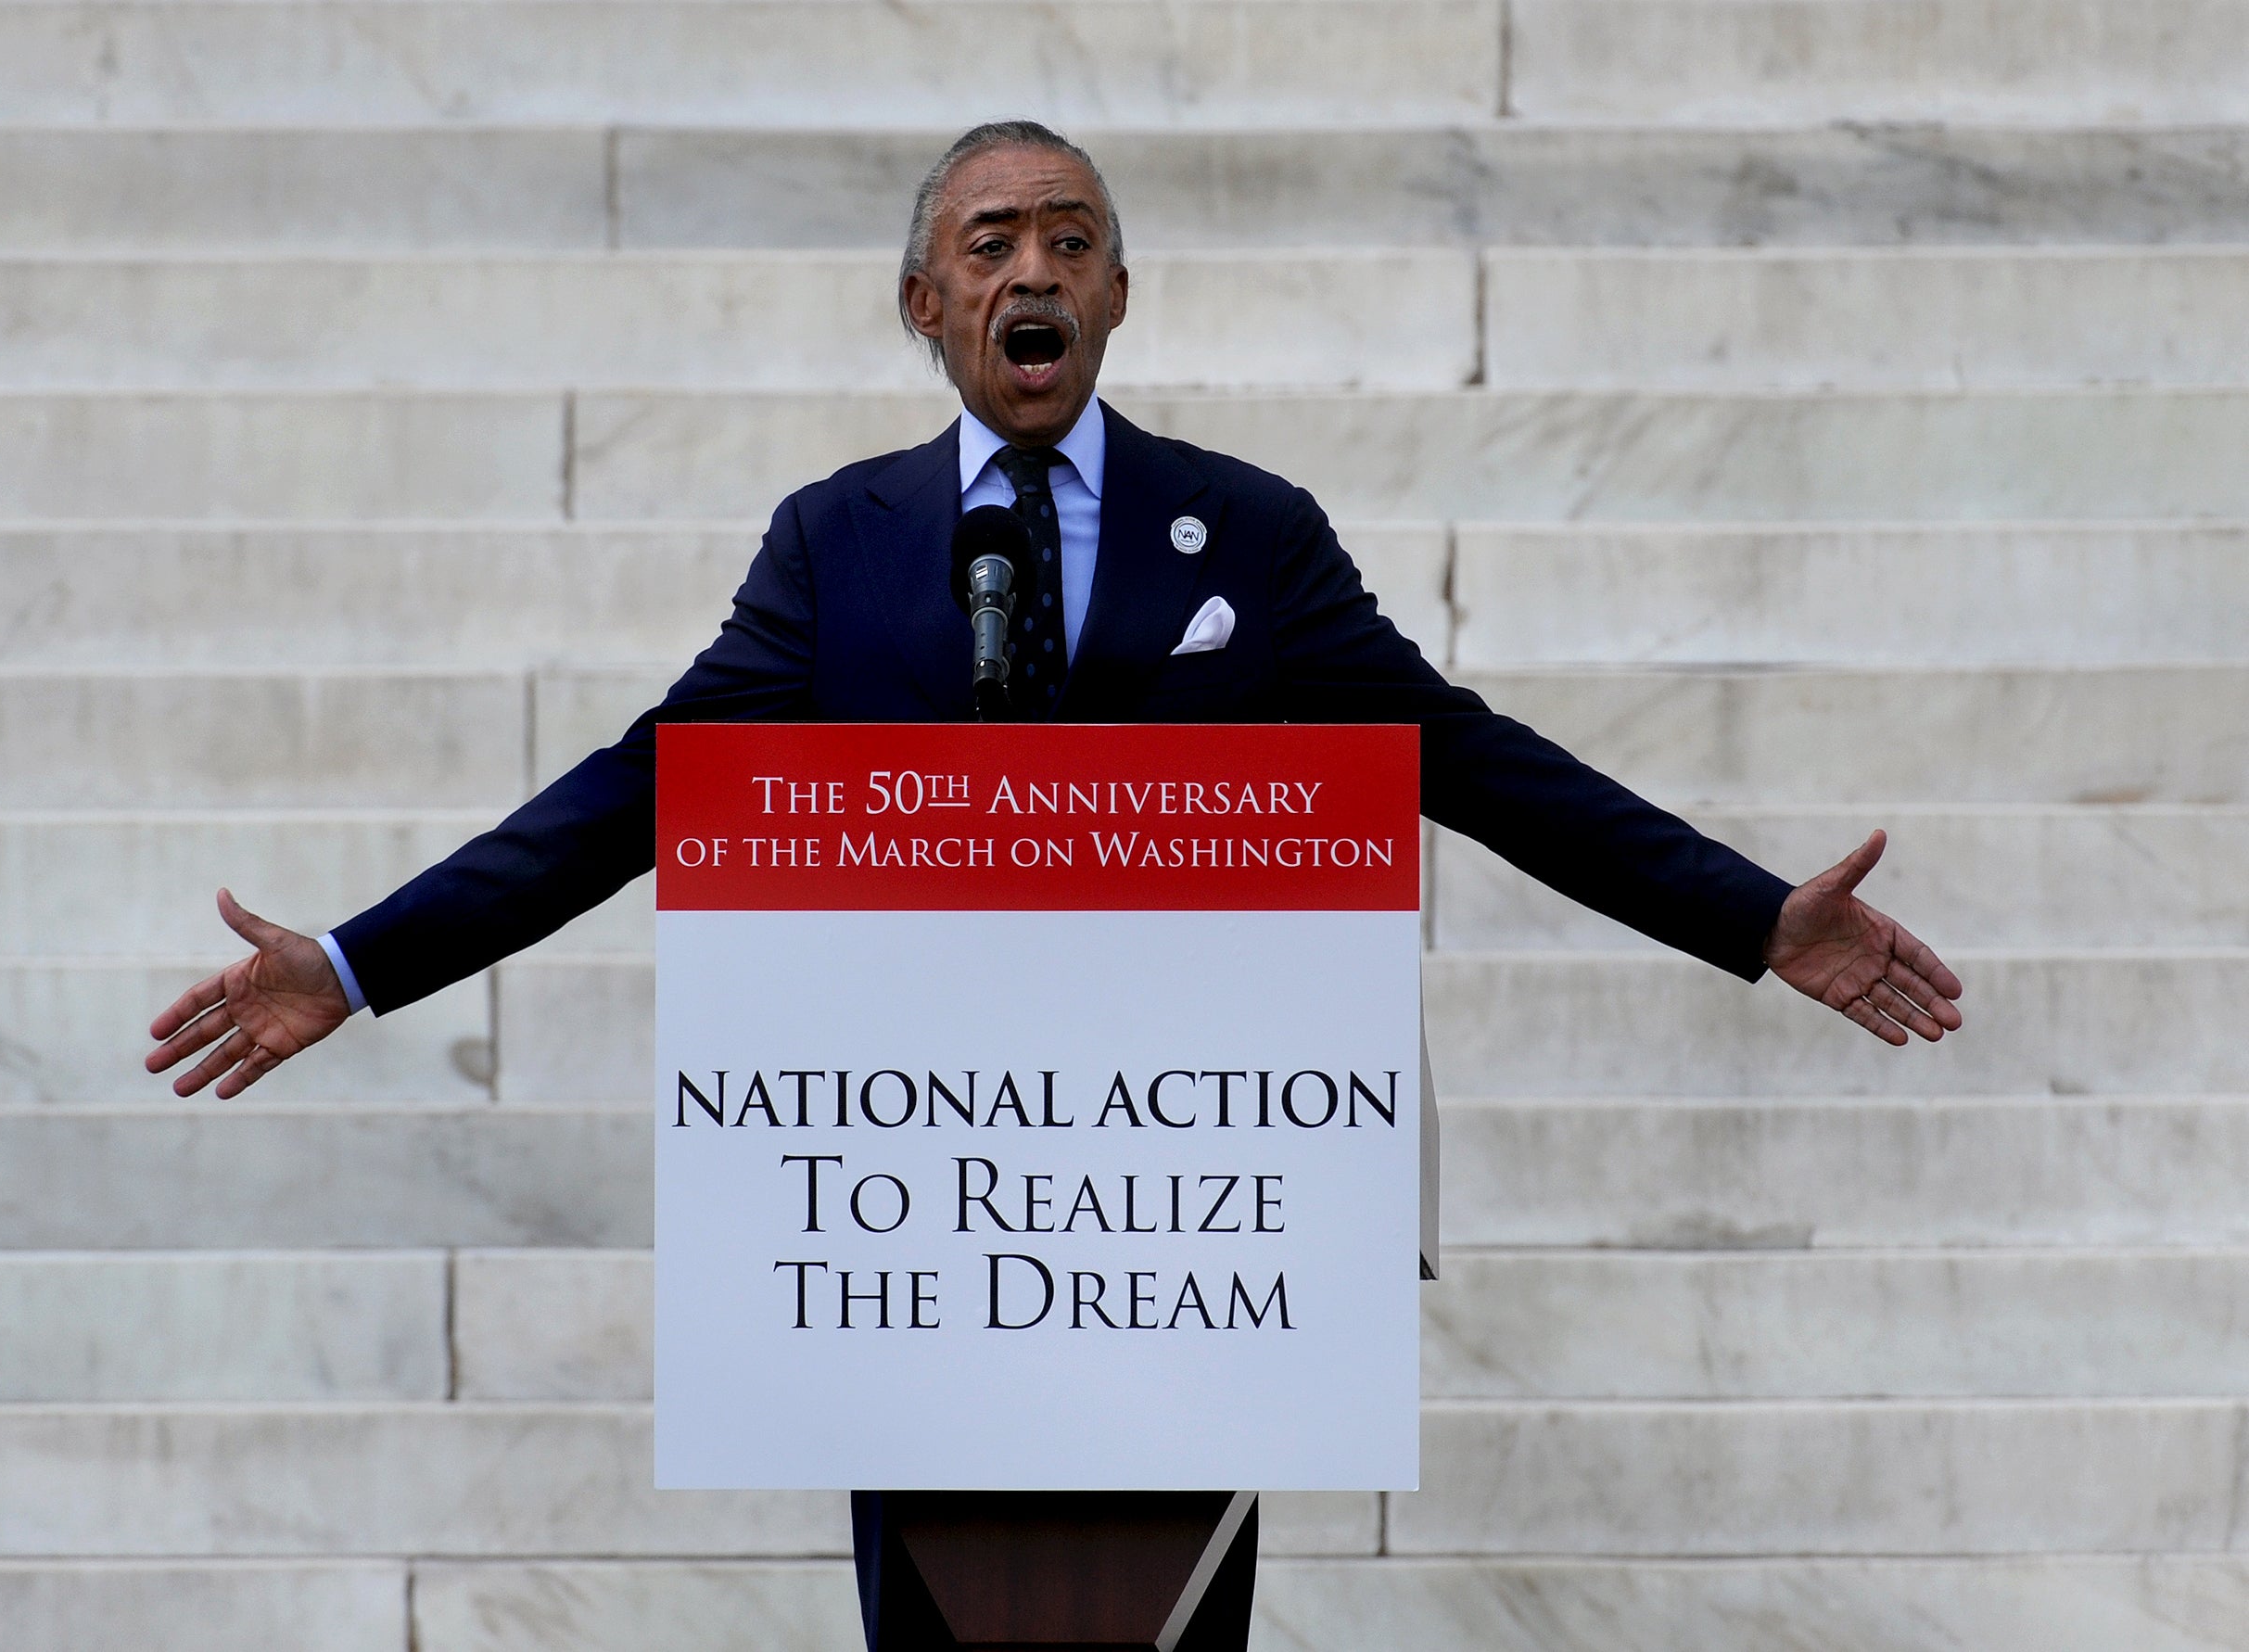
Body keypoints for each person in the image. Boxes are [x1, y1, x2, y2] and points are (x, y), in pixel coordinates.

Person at [147, 120, 1963, 1650]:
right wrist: (361, 962)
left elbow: (1462, 757)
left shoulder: (1242, 531)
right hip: (923, 1197)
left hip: (1179, 1205)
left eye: (1070, 241)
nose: (1035, 272)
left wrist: (1744, 913)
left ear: (1113, 293)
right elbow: (644, 792)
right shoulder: (837, 546)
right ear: (927, 304)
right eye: (991, 243)